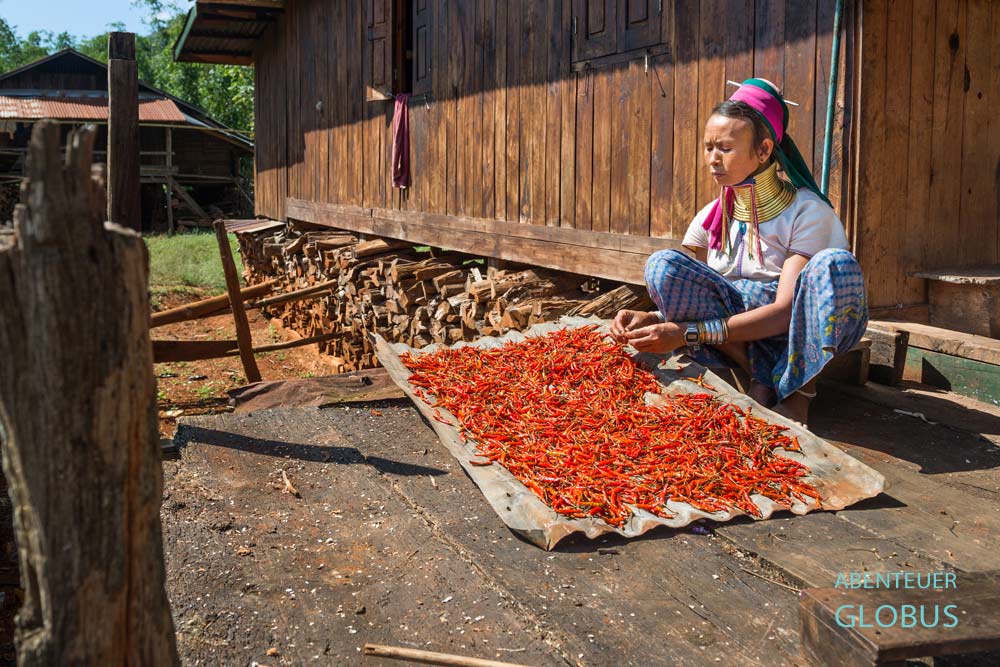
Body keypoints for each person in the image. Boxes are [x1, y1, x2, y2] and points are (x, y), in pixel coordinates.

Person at [611, 78, 868, 426]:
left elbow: (783, 312)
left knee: (833, 264)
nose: (712, 159)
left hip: (799, 323)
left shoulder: (808, 213)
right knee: (663, 265)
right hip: (739, 328)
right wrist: (655, 318)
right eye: (708, 147)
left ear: (763, 150)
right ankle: (761, 374)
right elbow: (690, 290)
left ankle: (797, 393)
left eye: (725, 149)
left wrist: (685, 333)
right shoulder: (710, 217)